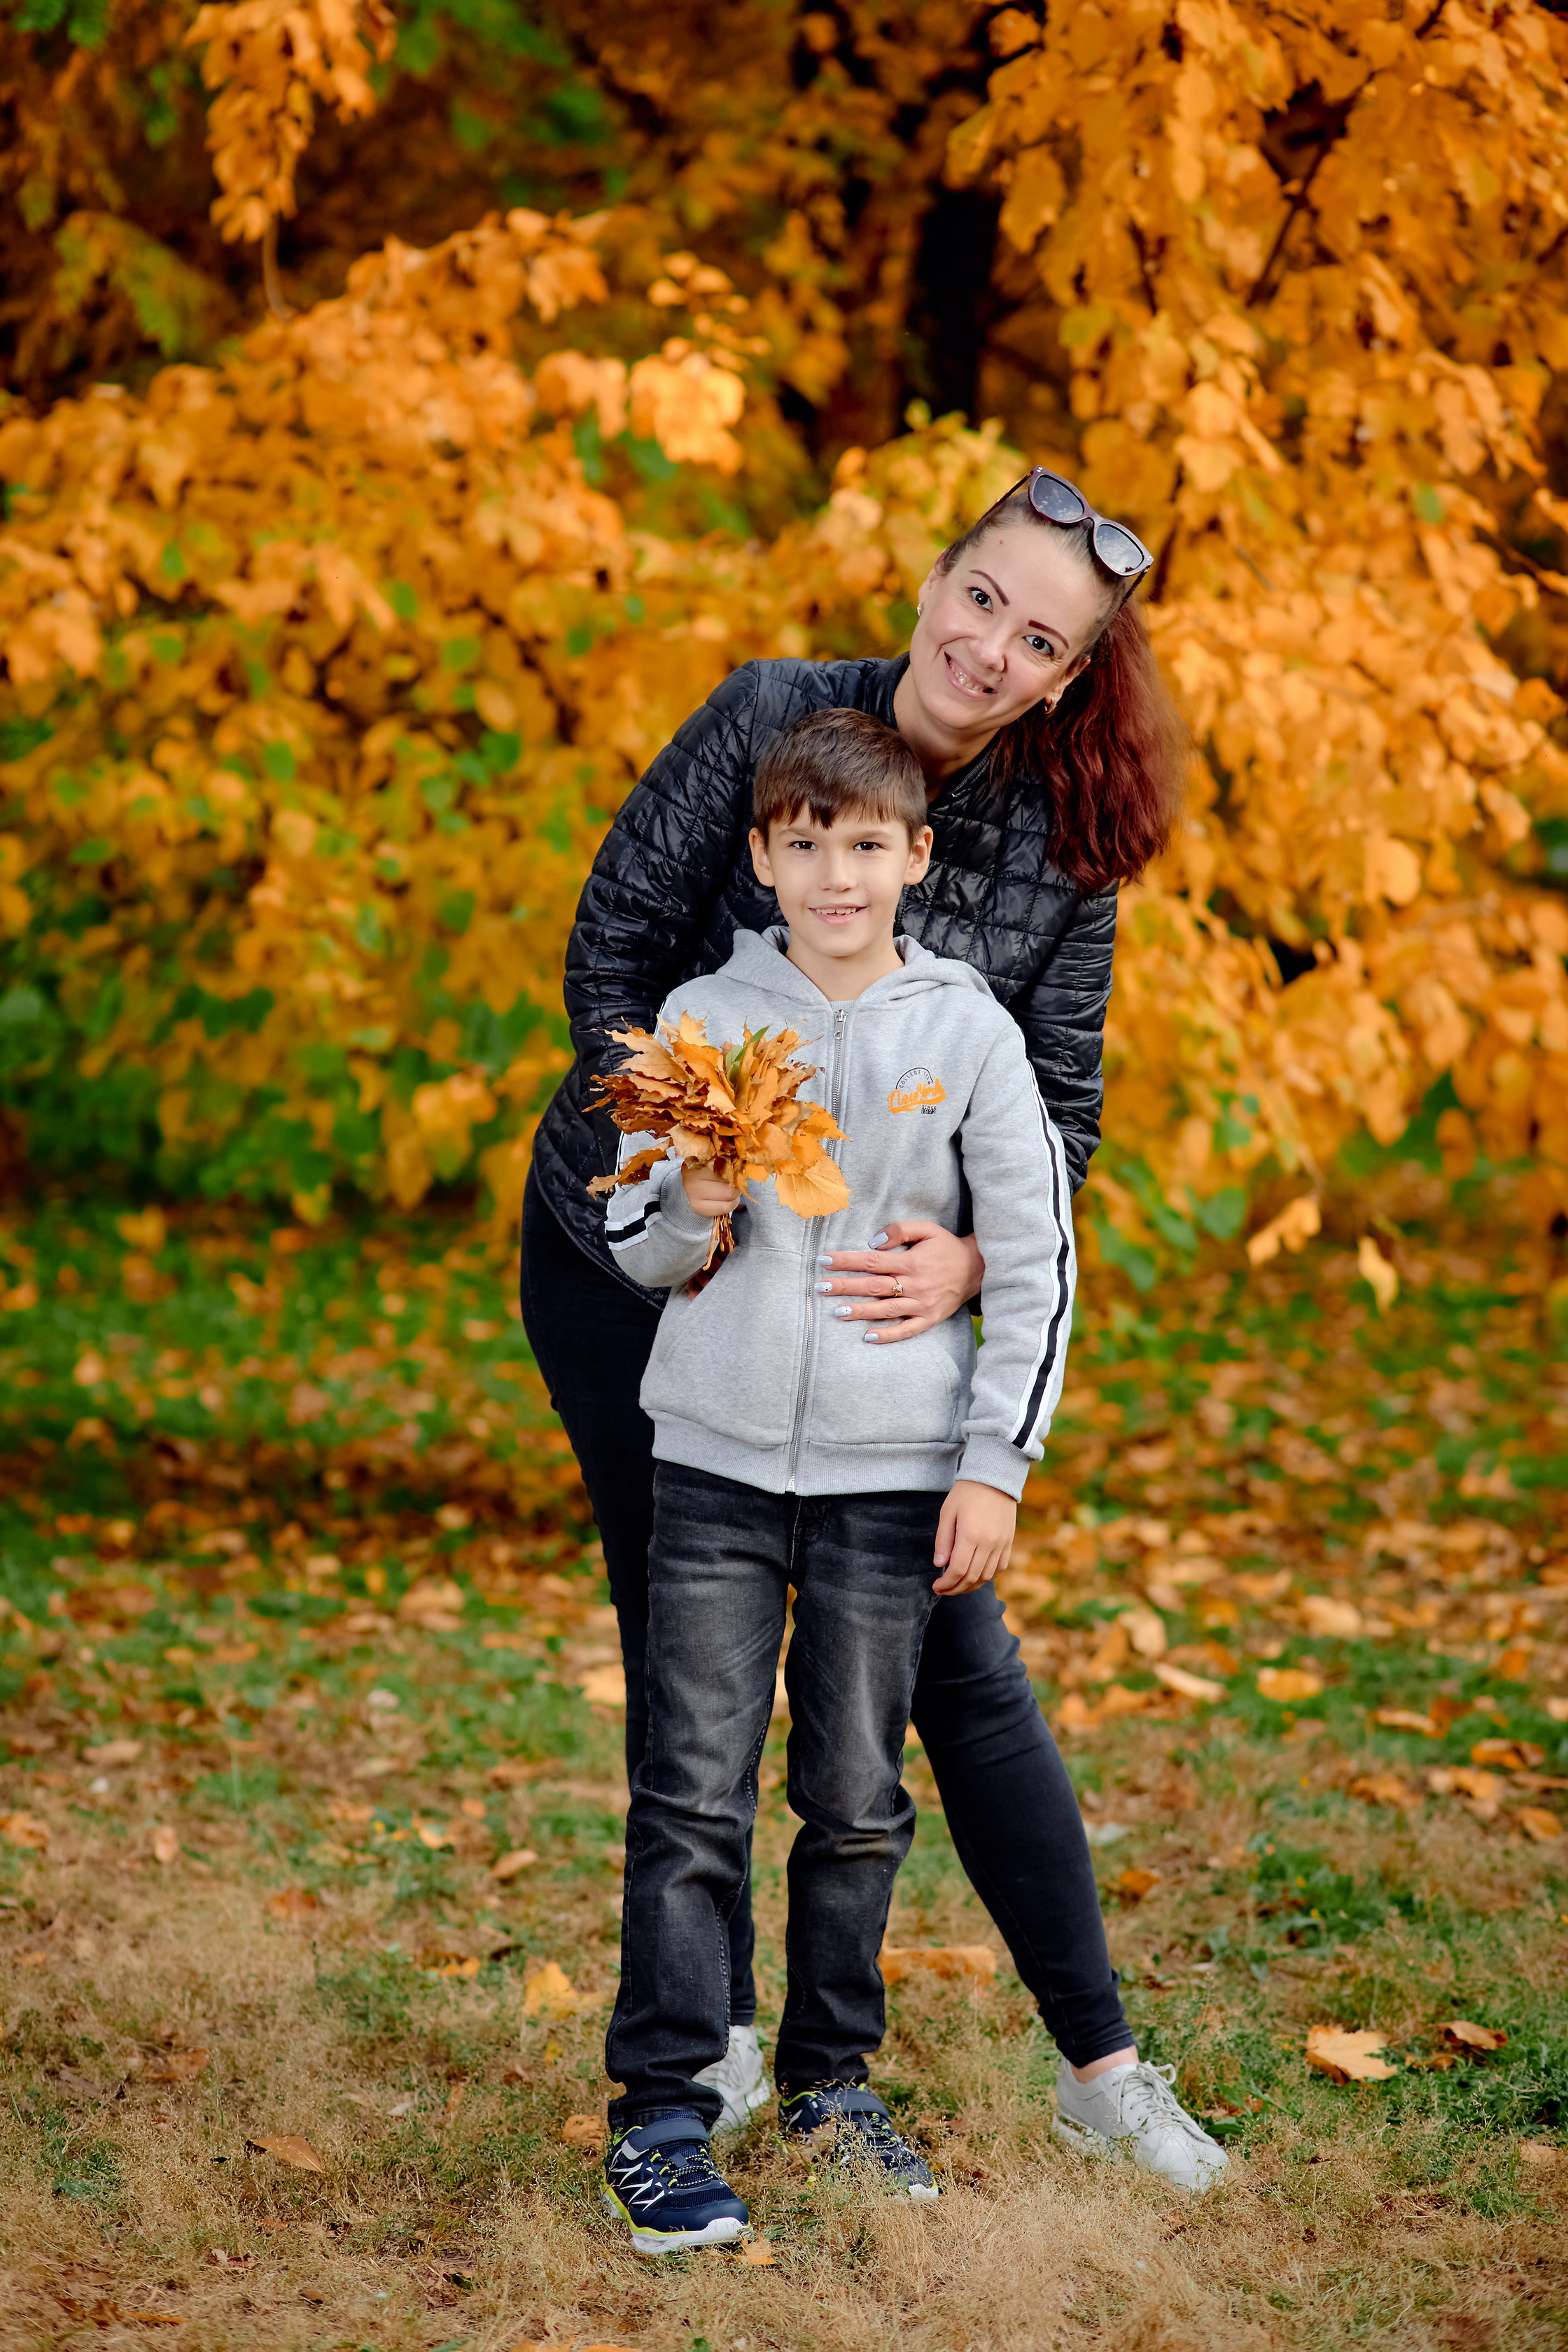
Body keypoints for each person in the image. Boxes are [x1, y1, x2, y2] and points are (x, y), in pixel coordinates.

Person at [521, 467, 1228, 2197]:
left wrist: (977, 1270)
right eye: (983, 599)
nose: (991, 649)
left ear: (1068, 679)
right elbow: (609, 947)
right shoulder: (773, 720)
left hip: (879, 1330)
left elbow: (1054, 1128)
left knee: (954, 1673)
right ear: (938, 579)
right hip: (653, 1271)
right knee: (687, 1663)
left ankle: (1101, 2064)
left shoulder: (1061, 855)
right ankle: (717, 2042)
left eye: (1039, 638)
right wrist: (687, 1143)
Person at [600, 705, 1077, 2250]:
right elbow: (632, 1242)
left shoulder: (969, 1035)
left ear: (915, 859)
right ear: (760, 857)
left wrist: (995, 1463)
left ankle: (830, 2084)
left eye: (864, 845)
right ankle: (665, 2111)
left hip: (890, 1477)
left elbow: (1038, 1250)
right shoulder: (698, 1022)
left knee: (859, 1800)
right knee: (690, 1792)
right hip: (719, 1471)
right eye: (802, 846)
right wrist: (702, 1203)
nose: (833, 875)